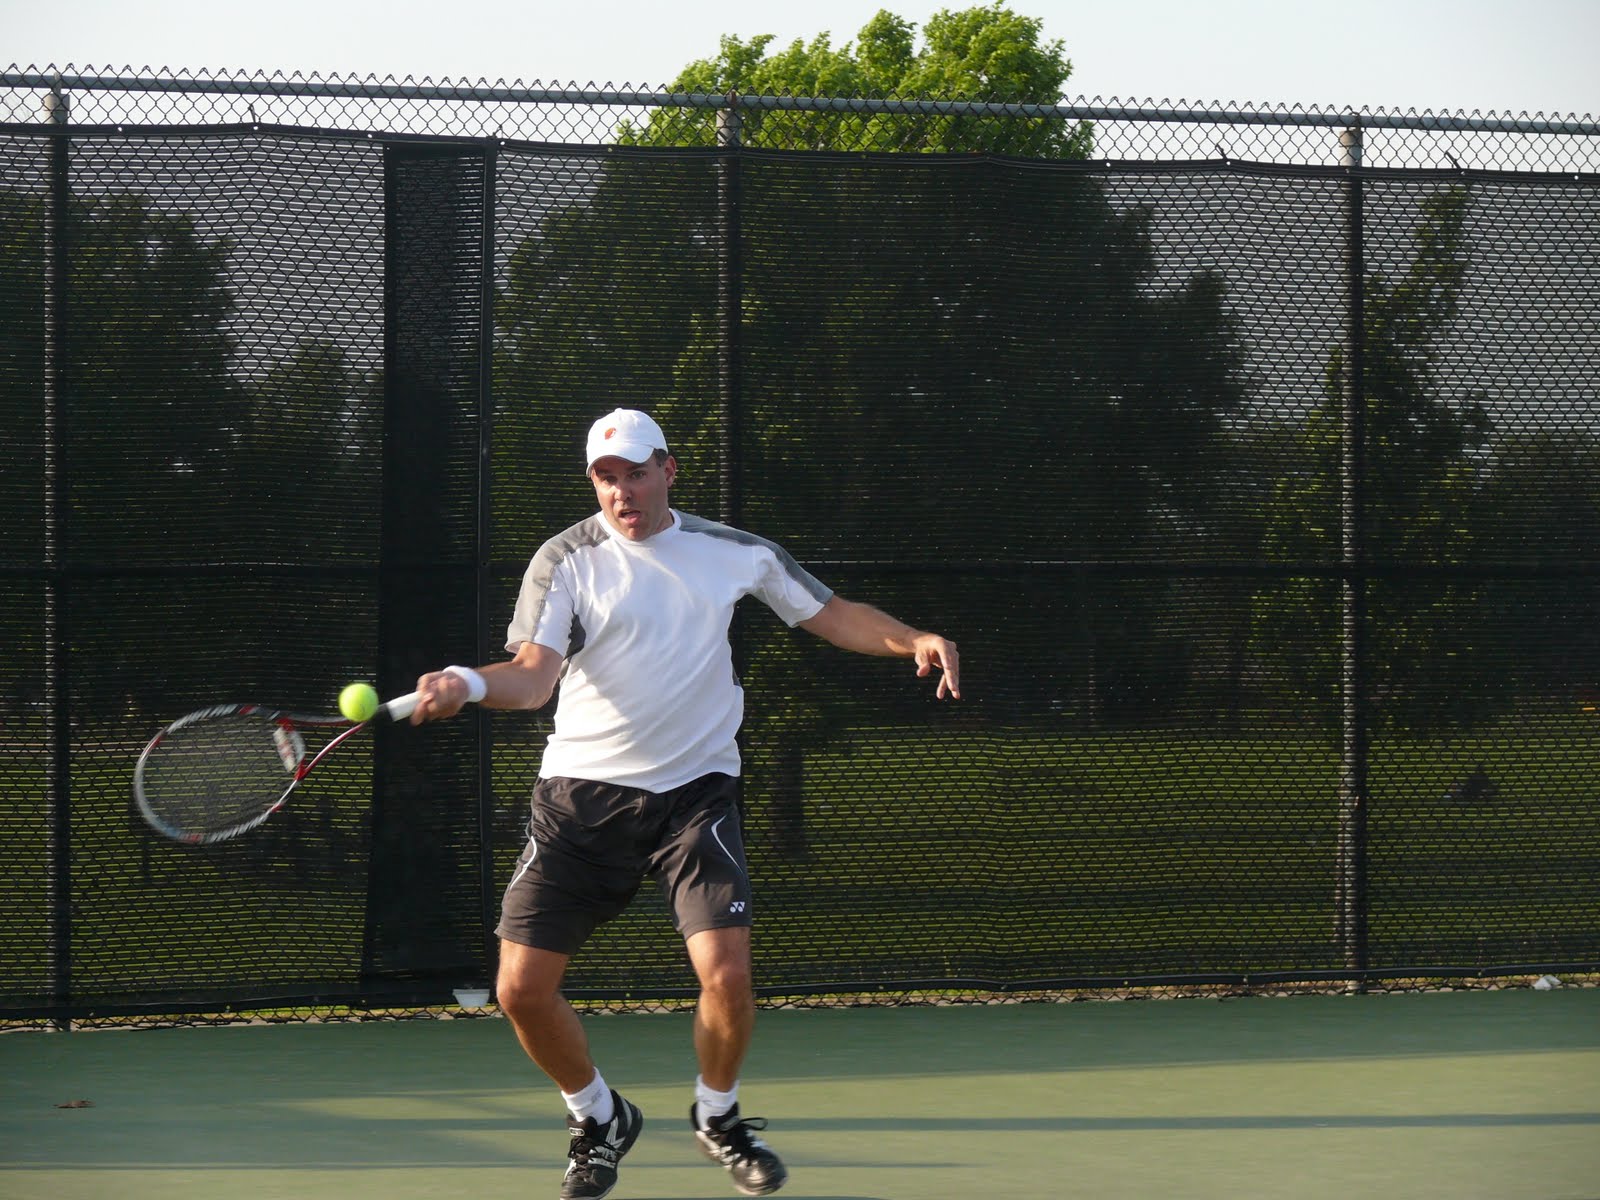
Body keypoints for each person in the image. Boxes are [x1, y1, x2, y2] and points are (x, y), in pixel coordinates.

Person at [408, 408, 961, 1200]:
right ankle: (597, 1118)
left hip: (694, 796)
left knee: (728, 977)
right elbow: (532, 677)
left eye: (636, 473)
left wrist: (912, 639)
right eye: (606, 478)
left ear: (669, 470)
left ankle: (718, 1115)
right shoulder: (564, 561)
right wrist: (465, 682)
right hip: (580, 797)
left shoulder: (733, 553)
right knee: (519, 989)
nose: (622, 491)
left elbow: (832, 614)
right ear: (593, 484)